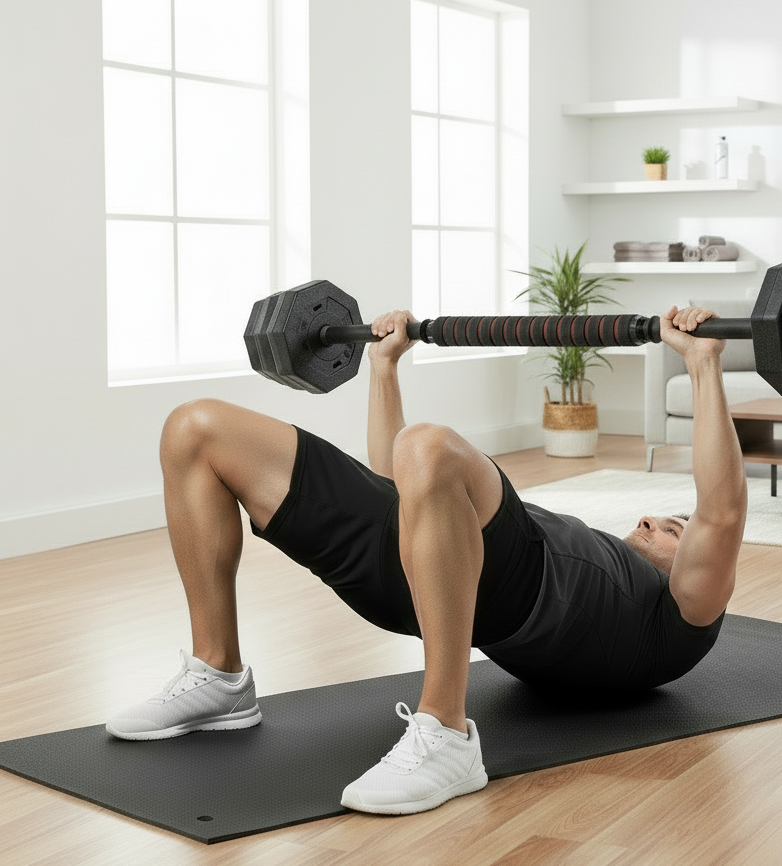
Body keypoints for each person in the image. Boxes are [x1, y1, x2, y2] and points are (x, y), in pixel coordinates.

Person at [106, 305, 747, 815]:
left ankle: (446, 731)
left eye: (672, 528)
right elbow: (401, 487)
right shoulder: (597, 547)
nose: (648, 521)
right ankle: (220, 675)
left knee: (429, 446)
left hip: (510, 588)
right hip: (416, 573)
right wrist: (384, 368)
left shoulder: (676, 619)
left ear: (699, 567)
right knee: (195, 427)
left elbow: (720, 511)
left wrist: (703, 366)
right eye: (655, 514)